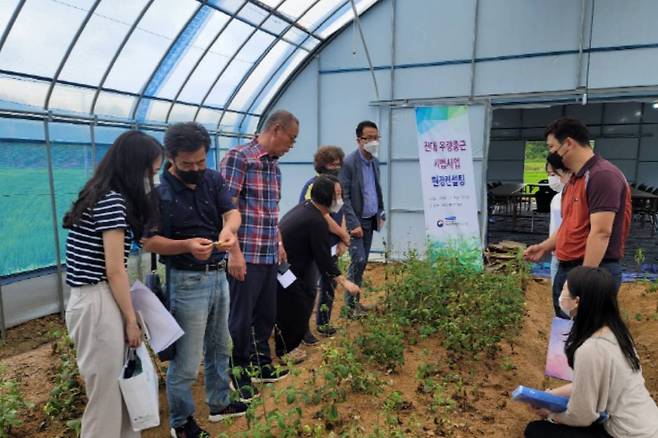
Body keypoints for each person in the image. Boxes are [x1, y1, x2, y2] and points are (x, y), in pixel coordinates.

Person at [142, 122, 246, 438]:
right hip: (186, 282)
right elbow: (149, 241)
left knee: (220, 346)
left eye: (201, 161)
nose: (196, 169)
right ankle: (181, 422)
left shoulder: (212, 179)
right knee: (186, 359)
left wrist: (228, 231)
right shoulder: (159, 195)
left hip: (217, 275)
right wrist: (186, 245)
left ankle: (219, 403)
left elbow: (232, 213)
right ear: (171, 158)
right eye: (188, 164)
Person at [63, 130, 163, 438]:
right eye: (151, 173)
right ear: (135, 168)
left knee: (122, 395)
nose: (152, 181)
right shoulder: (113, 201)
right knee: (105, 402)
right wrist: (131, 319)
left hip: (99, 299)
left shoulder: (99, 194)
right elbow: (115, 269)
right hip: (97, 301)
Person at [524, 266, 658, 437]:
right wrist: (548, 395)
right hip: (648, 423)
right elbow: (587, 383)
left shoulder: (590, 349)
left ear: (577, 301)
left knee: (535, 430)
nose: (561, 295)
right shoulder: (616, 333)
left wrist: (551, 415)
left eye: (564, 290)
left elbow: (581, 416)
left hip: (627, 434)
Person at [220, 110, 298, 400]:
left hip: (267, 253)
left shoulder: (274, 168)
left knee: (266, 315)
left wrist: (278, 242)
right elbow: (226, 208)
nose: (292, 145)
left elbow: (270, 211)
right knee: (241, 318)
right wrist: (234, 253)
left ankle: (260, 364)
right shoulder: (239, 158)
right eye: (291, 139)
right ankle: (237, 370)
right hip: (246, 254)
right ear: (276, 129)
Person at [524, 118, 632, 319]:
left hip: (594, 271)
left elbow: (601, 232)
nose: (551, 153)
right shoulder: (575, 180)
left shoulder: (602, 176)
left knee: (586, 331)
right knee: (565, 330)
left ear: (568, 144)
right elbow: (569, 225)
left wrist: (582, 281)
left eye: (552, 147)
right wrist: (544, 247)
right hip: (570, 268)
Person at [276, 175, 360, 357]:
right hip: (286, 268)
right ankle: (286, 350)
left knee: (304, 297)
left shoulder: (308, 208)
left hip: (292, 265)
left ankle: (288, 343)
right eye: (337, 195)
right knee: (297, 304)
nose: (340, 199)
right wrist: (345, 282)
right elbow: (323, 259)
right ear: (326, 196)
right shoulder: (316, 221)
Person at [299, 146, 350, 343]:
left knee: (329, 284)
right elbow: (322, 215)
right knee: (309, 288)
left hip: (331, 244)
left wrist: (341, 239)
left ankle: (323, 322)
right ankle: (302, 330)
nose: (336, 167)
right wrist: (343, 234)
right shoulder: (313, 186)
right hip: (313, 246)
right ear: (322, 165)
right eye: (331, 164)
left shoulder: (336, 185)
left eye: (338, 164)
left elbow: (340, 210)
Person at [339, 120, 385, 318]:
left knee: (363, 261)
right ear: (359, 140)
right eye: (369, 138)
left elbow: (375, 189)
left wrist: (380, 212)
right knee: (357, 260)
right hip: (356, 223)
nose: (374, 142)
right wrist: (353, 224)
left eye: (376, 138)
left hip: (370, 219)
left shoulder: (374, 162)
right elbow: (344, 197)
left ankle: (355, 303)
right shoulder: (349, 163)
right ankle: (350, 307)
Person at [546, 156, 572, 299]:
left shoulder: (577, 197)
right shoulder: (556, 199)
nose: (552, 178)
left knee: (569, 297)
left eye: (554, 174)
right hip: (556, 253)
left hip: (571, 255)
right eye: (549, 174)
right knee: (557, 296)